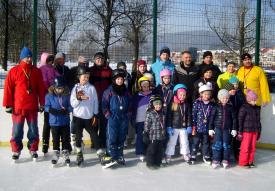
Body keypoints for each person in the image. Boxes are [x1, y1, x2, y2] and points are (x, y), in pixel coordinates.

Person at [3, 47, 46, 161]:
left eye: (30, 57)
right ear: (22, 58)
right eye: (27, 57)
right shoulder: (14, 71)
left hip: (32, 107)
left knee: (33, 130)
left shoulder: (36, 71)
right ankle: (16, 150)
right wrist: (8, 104)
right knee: (17, 130)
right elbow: (8, 89)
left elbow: (41, 89)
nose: (29, 59)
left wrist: (42, 103)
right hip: (18, 107)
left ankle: (33, 149)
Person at [70, 66, 102, 166]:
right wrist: (78, 99)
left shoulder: (91, 88)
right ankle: (79, 153)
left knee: (94, 136)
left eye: (87, 77)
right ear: (79, 77)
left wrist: (95, 114)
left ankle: (100, 153)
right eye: (84, 77)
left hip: (89, 117)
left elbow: (95, 101)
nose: (86, 79)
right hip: (78, 117)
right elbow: (72, 104)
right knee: (78, 137)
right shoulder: (75, 88)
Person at [101, 69, 131, 167]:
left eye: (121, 79)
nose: (120, 81)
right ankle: (110, 156)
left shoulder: (126, 92)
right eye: (117, 79)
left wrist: (128, 114)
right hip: (113, 117)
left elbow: (130, 104)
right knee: (112, 137)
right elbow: (104, 105)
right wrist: (108, 115)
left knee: (122, 136)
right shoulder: (109, 91)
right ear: (114, 80)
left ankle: (119, 155)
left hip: (124, 117)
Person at [45, 77, 72, 166]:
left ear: (64, 87)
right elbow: (46, 106)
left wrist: (67, 110)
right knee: (55, 139)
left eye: (61, 88)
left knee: (65, 139)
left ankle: (65, 153)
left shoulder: (67, 96)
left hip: (65, 122)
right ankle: (56, 153)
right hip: (54, 122)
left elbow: (71, 106)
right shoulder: (49, 96)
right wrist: (51, 110)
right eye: (58, 88)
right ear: (54, 87)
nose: (59, 90)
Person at [208, 89, 237, 169]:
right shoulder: (216, 107)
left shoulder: (230, 107)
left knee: (226, 145)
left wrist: (234, 129)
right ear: (219, 98)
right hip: (217, 129)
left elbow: (234, 119)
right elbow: (211, 118)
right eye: (223, 98)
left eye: (226, 98)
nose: (225, 99)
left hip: (227, 130)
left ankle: (225, 159)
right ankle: (216, 159)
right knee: (217, 144)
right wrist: (210, 128)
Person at [89, 52, 112, 148]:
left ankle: (102, 142)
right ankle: (94, 142)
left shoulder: (109, 70)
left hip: (105, 100)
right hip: (93, 100)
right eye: (98, 58)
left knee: (103, 123)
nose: (100, 60)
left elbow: (112, 84)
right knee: (94, 122)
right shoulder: (90, 70)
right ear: (94, 60)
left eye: (101, 58)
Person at [39, 53, 60, 155]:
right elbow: (42, 84)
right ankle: (45, 144)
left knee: (54, 123)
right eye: (49, 60)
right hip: (47, 100)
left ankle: (55, 144)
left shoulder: (54, 69)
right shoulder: (42, 70)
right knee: (47, 123)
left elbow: (59, 80)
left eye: (52, 60)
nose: (51, 62)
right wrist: (42, 102)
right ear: (44, 60)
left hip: (55, 99)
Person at [165, 84, 192, 164]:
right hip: (174, 126)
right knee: (172, 141)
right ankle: (168, 154)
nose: (182, 96)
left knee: (184, 141)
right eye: (180, 94)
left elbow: (189, 116)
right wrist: (169, 126)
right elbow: (169, 116)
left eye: (184, 95)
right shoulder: (173, 104)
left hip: (184, 127)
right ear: (176, 94)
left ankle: (185, 153)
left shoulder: (186, 104)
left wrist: (189, 125)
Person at [190, 82, 215, 165]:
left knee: (206, 143)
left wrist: (212, 128)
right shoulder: (196, 103)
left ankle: (206, 155)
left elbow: (213, 117)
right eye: (205, 94)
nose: (206, 96)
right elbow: (193, 115)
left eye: (208, 94)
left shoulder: (212, 105)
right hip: (198, 128)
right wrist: (193, 126)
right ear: (201, 94)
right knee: (195, 142)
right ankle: (193, 155)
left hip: (207, 128)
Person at [238, 89, 261, 168]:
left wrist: (259, 131)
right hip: (246, 131)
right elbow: (240, 120)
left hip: (254, 131)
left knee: (253, 147)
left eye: (255, 100)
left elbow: (258, 121)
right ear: (248, 100)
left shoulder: (257, 108)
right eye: (253, 100)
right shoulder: (244, 107)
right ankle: (243, 162)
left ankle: (250, 161)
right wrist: (240, 132)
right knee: (245, 147)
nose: (254, 102)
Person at [132, 76, 152, 162]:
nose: (146, 88)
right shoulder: (137, 97)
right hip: (140, 120)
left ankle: (149, 151)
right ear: (140, 86)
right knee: (140, 137)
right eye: (144, 86)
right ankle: (140, 152)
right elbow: (133, 109)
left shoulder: (152, 96)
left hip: (150, 121)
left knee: (149, 136)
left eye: (147, 86)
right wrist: (133, 119)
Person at [143, 95, 166, 169]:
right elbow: (147, 124)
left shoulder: (162, 113)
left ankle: (158, 162)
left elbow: (163, 124)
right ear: (153, 105)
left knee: (160, 150)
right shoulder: (150, 113)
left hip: (161, 135)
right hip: (153, 136)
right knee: (152, 150)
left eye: (160, 104)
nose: (158, 106)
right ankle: (150, 163)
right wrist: (145, 133)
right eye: (156, 104)